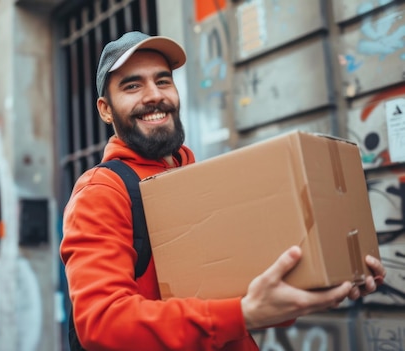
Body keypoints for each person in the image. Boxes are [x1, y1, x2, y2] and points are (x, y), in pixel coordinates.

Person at [60, 31, 387, 351]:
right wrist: (242, 313)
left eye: (163, 81)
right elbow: (102, 323)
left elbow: (237, 296)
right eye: (132, 86)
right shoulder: (102, 192)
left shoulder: (195, 179)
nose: (154, 95)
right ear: (105, 109)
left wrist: (325, 283)